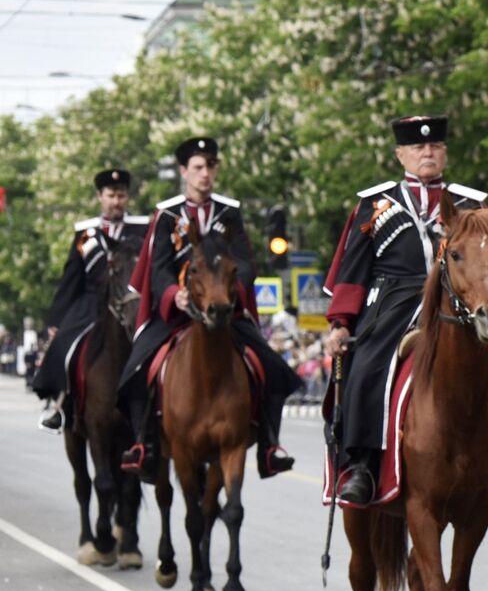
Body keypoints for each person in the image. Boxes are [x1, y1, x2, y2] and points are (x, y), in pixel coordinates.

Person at [323, 115, 488, 505]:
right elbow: (352, 270)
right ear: (401, 154)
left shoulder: (471, 203)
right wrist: (340, 323)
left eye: (434, 147)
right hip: (394, 302)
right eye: (417, 147)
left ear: (445, 153)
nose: (426, 152)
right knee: (366, 367)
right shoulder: (375, 202)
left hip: (460, 299)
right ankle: (362, 465)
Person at [118, 137, 298, 479]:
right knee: (137, 368)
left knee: (272, 368)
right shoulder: (168, 215)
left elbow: (245, 264)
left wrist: (231, 291)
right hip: (178, 315)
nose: (205, 174)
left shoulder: (229, 214)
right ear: (184, 171)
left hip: (223, 310)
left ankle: (270, 445)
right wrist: (175, 295)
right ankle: (144, 443)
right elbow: (158, 268)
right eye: (198, 167)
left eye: (210, 166)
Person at [34, 169, 148, 432]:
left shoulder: (142, 228)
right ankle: (60, 404)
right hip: (92, 304)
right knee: (65, 345)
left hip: (133, 301)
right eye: (111, 195)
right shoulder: (86, 233)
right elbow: (72, 278)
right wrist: (56, 320)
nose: (116, 201)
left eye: (121, 195)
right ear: (100, 196)